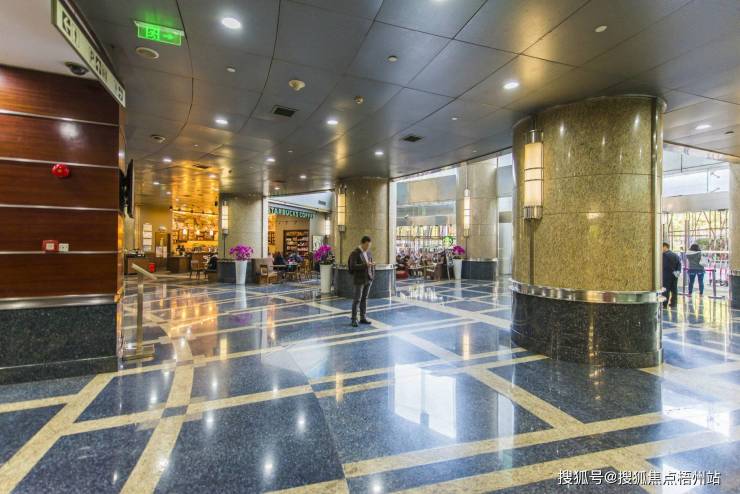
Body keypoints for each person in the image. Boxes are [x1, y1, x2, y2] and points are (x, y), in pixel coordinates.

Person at [348, 235, 375, 327]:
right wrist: (365, 265)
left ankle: (363, 317)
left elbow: (371, 264)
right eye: (367, 245)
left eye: (369, 245)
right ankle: (354, 319)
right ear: (362, 243)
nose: (368, 247)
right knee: (357, 300)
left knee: (364, 299)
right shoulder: (355, 253)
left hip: (368, 279)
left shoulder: (368, 253)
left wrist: (372, 275)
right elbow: (352, 266)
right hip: (359, 279)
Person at [662, 242, 681, 308]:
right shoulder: (675, 255)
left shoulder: (664, 255)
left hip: (666, 275)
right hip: (675, 275)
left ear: (665, 247)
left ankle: (664, 304)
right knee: (674, 289)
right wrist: (676, 274)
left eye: (661, 247)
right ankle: (674, 303)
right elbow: (679, 265)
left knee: (665, 289)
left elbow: (664, 265)